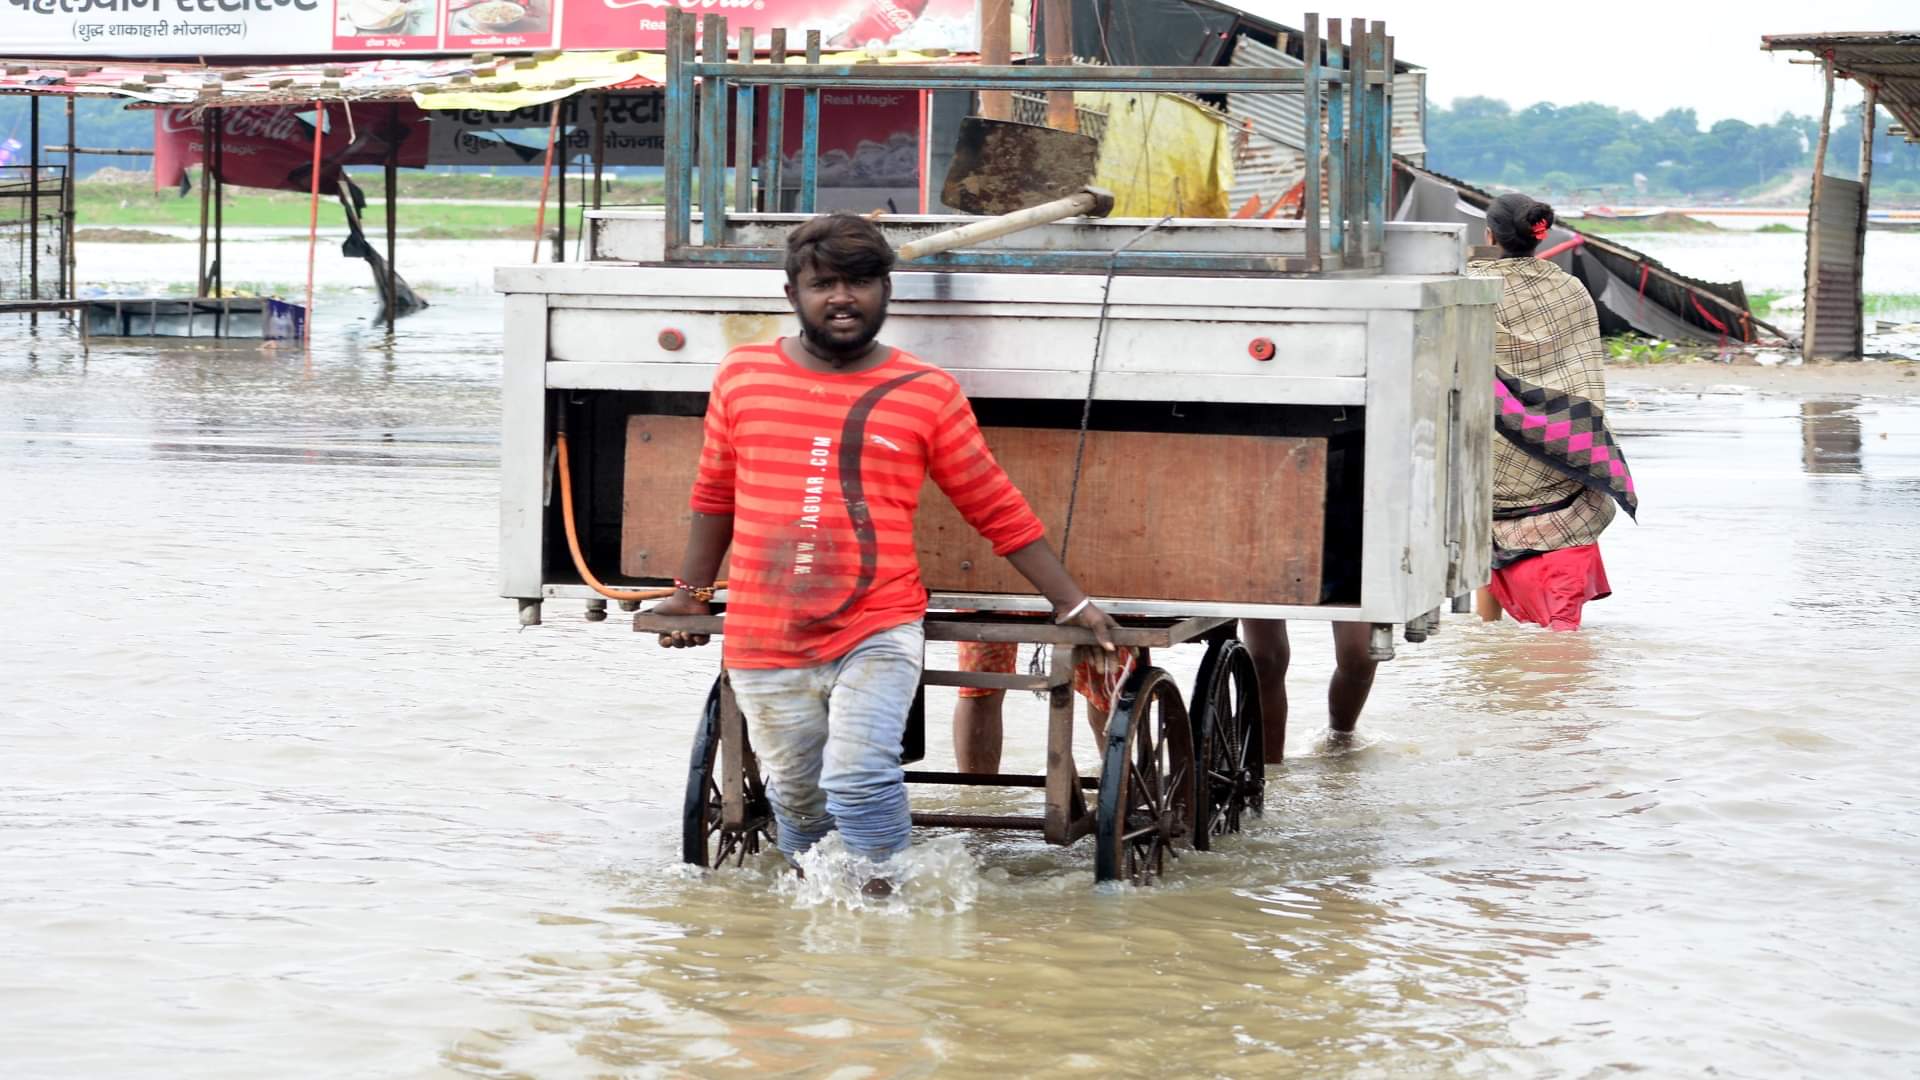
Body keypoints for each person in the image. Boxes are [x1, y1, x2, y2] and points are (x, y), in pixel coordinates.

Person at [649, 213, 1119, 892]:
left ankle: (885, 910)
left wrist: (1071, 603)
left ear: (886, 291)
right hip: (765, 631)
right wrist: (690, 595)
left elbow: (993, 504)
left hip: (878, 624)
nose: (843, 297)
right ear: (792, 294)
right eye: (824, 284)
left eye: (860, 282)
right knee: (800, 796)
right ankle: (816, 914)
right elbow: (715, 493)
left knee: (860, 777)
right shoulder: (742, 375)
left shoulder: (926, 391)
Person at [1470, 193, 1639, 631]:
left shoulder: (1471, 287)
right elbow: (1582, 367)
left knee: (1483, 536)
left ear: (1490, 236)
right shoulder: (1570, 288)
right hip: (1563, 440)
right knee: (1563, 561)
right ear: (1539, 236)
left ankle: (1487, 634)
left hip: (1492, 445)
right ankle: (1551, 636)